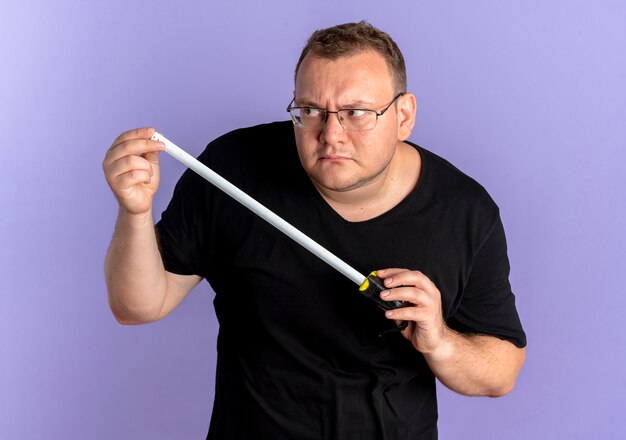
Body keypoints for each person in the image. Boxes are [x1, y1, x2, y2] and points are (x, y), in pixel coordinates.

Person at [102, 21, 526, 440]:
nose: (330, 135)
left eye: (356, 113)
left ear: (404, 115)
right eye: (310, 111)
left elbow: (501, 373)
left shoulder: (464, 212)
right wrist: (134, 213)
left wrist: (440, 341)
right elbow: (137, 306)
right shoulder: (231, 169)